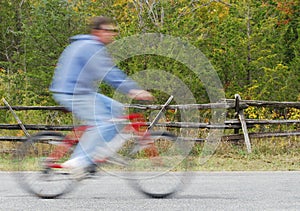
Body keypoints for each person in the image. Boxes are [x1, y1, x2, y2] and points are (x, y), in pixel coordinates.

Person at [50, 16, 153, 177]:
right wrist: (133, 90)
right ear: (96, 31)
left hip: (82, 91)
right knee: (102, 123)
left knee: (118, 110)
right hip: (72, 92)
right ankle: (79, 162)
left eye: (114, 31)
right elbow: (108, 72)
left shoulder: (86, 45)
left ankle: (94, 157)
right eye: (108, 30)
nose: (112, 34)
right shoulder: (90, 46)